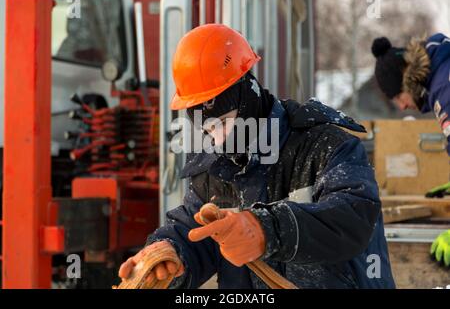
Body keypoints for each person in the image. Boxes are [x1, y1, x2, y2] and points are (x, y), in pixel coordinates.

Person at [118, 24, 395, 289]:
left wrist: (267, 230)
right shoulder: (218, 168)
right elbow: (196, 230)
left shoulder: (325, 145)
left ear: (248, 100)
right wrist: (170, 252)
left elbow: (355, 216)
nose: (217, 140)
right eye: (207, 129)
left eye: (222, 124)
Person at [372, 34, 450, 267]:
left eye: (397, 96)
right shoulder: (443, 72)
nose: (403, 105)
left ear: (407, 77)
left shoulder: (445, 91)